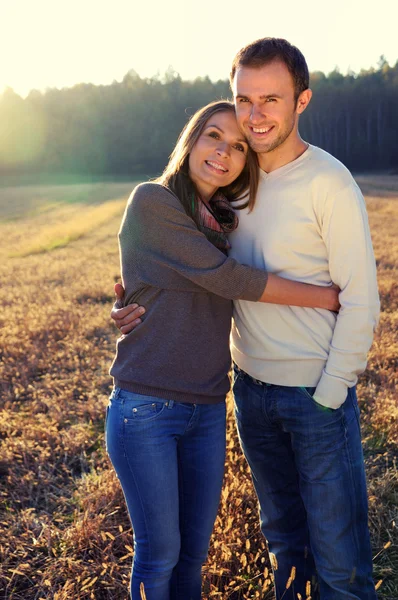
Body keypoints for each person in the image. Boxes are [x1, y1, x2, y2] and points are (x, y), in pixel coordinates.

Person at [112, 40, 380, 600]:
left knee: (339, 561)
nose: (254, 117)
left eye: (270, 100)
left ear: (301, 101)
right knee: (282, 545)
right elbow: (211, 273)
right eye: (243, 101)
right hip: (245, 395)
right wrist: (132, 297)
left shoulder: (326, 182)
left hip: (312, 393)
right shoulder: (228, 189)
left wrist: (331, 393)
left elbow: (361, 300)